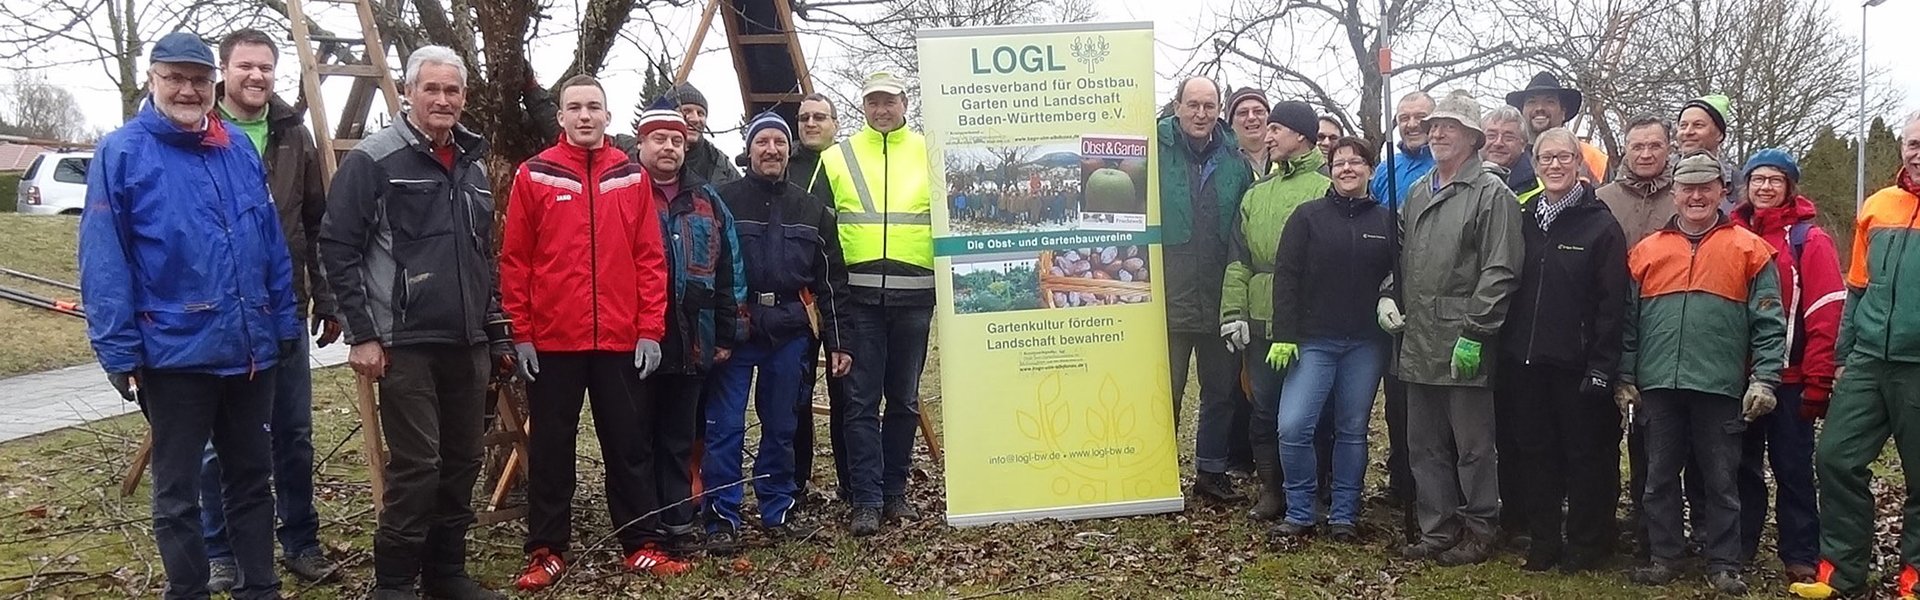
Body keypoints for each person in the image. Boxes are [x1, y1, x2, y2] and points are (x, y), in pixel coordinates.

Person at [79, 31, 300, 600]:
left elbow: (270, 243)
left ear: (213, 84)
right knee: (177, 492)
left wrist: (282, 324)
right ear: (153, 80)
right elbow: (104, 256)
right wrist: (118, 349)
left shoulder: (236, 151)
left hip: (249, 353)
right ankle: (189, 590)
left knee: (252, 480)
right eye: (174, 78)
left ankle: (260, 588)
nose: (187, 90)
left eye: (198, 80)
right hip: (173, 353)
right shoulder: (122, 152)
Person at [319, 45, 513, 600]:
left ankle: (445, 574)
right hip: (404, 342)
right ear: (408, 94)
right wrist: (362, 332)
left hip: (466, 342)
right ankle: (395, 583)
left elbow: (482, 255)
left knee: (463, 461)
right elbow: (337, 246)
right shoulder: (374, 161)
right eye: (432, 89)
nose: (443, 99)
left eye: (453, 91)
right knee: (418, 465)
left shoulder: (473, 167)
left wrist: (494, 329)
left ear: (464, 98)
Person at [502, 75, 683, 592]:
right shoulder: (534, 175)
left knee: (628, 446)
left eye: (594, 107)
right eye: (574, 108)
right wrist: (523, 333)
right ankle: (546, 550)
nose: (585, 116)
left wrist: (651, 329)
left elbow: (651, 258)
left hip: (621, 342)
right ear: (560, 117)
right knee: (552, 448)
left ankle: (640, 543)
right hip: (554, 342)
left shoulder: (630, 176)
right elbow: (515, 261)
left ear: (608, 116)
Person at [195, 27, 338, 590]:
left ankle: (300, 539)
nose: (256, 77)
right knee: (216, 443)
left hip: (284, 312)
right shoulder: (201, 132)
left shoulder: (292, 135)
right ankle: (219, 548)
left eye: (266, 68)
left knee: (293, 433)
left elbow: (318, 223)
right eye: (245, 66)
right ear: (223, 71)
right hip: (216, 316)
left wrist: (326, 298)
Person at [1617, 151, 1786, 595]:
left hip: (1720, 384)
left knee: (1721, 480)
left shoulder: (1750, 249)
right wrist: (1625, 375)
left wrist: (1765, 379)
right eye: (1687, 188)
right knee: (1657, 479)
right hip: (1658, 385)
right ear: (1674, 194)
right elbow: (1628, 322)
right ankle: (1664, 556)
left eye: (1705, 188)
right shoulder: (1647, 251)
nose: (1696, 196)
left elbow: (1770, 325)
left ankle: (1724, 562)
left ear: (1722, 192)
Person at [1384, 90, 1524, 567]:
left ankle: (1481, 529)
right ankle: (1437, 528)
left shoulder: (1492, 194)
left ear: (1473, 138)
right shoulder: (1420, 190)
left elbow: (1501, 270)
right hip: (1417, 337)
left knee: (1473, 447)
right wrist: (1387, 293)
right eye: (1435, 126)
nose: (1438, 133)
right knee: (1422, 444)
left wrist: (1476, 332)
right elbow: (1399, 257)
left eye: (1450, 127)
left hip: (1463, 339)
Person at [706, 110, 853, 547]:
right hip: (737, 329)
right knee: (725, 426)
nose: (771, 150)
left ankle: (778, 509)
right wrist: (713, 330)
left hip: (790, 331)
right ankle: (721, 517)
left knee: (783, 426)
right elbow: (707, 269)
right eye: (762, 142)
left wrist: (838, 343)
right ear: (749, 149)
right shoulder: (723, 201)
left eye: (779, 143)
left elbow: (831, 281)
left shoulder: (812, 211)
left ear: (790, 151)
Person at [1792, 112, 1920, 600]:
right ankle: (1841, 573)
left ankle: (1915, 574)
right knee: (1837, 458)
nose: (1916, 152)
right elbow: (1858, 288)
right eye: (1911, 143)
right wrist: (1843, 355)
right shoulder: (1878, 206)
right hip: (1868, 359)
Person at [1495, 128, 1630, 574]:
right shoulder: (1524, 215)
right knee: (1535, 452)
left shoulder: (1601, 224)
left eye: (1563, 158)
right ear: (1534, 165)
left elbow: (1613, 304)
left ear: (1578, 163)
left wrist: (1602, 367)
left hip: (1577, 363)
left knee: (1585, 456)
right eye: (1545, 158)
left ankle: (1586, 544)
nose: (1554, 166)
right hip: (1526, 361)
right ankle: (1544, 539)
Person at [817, 71, 935, 536]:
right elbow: (819, 234)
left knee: (903, 401)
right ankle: (865, 499)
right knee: (861, 402)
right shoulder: (836, 157)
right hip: (859, 301)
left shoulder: (931, 151)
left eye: (889, 101)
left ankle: (894, 493)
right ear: (863, 107)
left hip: (915, 298)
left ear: (905, 102)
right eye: (873, 102)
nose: (881, 109)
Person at [629, 98, 748, 552]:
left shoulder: (706, 200)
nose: (669, 148)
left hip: (691, 339)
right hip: (635, 338)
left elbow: (729, 270)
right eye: (659, 139)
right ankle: (642, 528)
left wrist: (726, 331)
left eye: (677, 141)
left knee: (680, 437)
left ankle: (678, 525)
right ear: (641, 143)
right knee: (636, 438)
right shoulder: (623, 192)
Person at [1263, 136, 1394, 543]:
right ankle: (1300, 510)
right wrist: (1284, 333)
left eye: (1356, 162)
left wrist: (1391, 297)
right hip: (1314, 341)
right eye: (1339, 163)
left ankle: (1344, 515)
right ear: (1330, 169)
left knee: (1352, 429)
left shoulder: (1387, 221)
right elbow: (1286, 276)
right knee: (1294, 425)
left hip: (1365, 344)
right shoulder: (1308, 217)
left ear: (1370, 170)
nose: (1347, 169)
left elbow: (1400, 276)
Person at [1726, 149, 1839, 584]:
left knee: (1793, 469)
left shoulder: (1809, 241)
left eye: (1775, 180)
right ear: (1746, 186)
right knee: (1742, 467)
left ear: (1790, 187)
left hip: (1791, 380)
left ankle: (1800, 552)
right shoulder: (1731, 233)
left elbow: (1826, 311)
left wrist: (1818, 379)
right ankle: (1739, 545)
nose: (1765, 187)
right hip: (1740, 376)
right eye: (1758, 179)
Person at [1222, 101, 1330, 520]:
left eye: (1276, 130)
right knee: (1263, 408)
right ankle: (1271, 490)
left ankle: (1315, 491)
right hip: (1260, 317)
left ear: (1300, 135)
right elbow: (1238, 258)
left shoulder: (1325, 187)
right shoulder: (1256, 193)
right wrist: (1233, 312)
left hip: (1308, 323)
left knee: (1312, 414)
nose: (1266, 137)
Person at [1155, 76, 1256, 503]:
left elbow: (1242, 229)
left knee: (1220, 393)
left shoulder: (1236, 160)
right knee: (1165, 393)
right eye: (1193, 105)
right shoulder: (1153, 152)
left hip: (1219, 299)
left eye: (1209, 106)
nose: (1201, 114)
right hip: (1167, 299)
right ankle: (1155, 472)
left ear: (1219, 110)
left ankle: (1211, 473)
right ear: (1177, 106)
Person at [787, 93, 851, 507]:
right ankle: (797, 481)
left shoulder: (851, 163)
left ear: (835, 123)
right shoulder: (783, 165)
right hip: (798, 295)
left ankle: (851, 481)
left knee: (847, 392)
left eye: (820, 117)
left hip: (843, 291)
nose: (811, 124)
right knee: (797, 393)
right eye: (804, 117)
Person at [1504, 71, 1608, 181]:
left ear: (1563, 112)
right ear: (1522, 112)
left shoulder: (1590, 156)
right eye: (1531, 102)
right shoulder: (1509, 154)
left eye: (1549, 102)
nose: (1539, 107)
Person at [1598, 115, 1679, 244]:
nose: (1646, 155)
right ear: (1626, 150)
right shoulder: (1601, 200)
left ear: (1668, 149)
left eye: (1655, 146)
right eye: (1637, 147)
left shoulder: (1684, 198)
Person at [1368, 90, 1436, 209]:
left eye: (1420, 117)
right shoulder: (1385, 169)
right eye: (1404, 118)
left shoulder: (1448, 166)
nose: (1411, 124)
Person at [664, 83, 741, 186]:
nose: (695, 119)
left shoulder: (719, 162)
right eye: (686, 111)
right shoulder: (649, 156)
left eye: (700, 113)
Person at [1481, 105, 1542, 204]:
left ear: (1523, 144)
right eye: (1491, 136)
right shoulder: (1462, 180)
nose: (1498, 143)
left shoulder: (1541, 189)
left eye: (1508, 138)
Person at [1228, 87, 1271, 174]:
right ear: (1231, 123)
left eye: (1258, 111)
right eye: (1243, 113)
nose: (1251, 117)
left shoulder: (1288, 156)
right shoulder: (1222, 163)